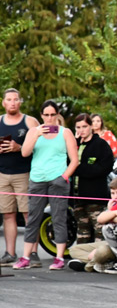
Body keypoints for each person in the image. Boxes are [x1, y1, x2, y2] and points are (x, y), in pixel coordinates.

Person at [13, 100, 79, 270]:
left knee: (58, 218)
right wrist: (36, 134)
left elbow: (74, 160)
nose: (49, 118)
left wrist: (64, 177)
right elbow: (25, 152)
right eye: (46, 115)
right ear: (41, 116)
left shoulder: (65, 133)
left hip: (57, 179)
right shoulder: (34, 131)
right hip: (37, 179)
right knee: (33, 218)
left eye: (52, 115)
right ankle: (25, 256)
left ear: (57, 115)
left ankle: (59, 258)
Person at [0, 89, 40, 267]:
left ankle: (33, 253)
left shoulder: (30, 121)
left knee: (29, 214)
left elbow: (41, 145)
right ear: (4, 103)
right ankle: (10, 253)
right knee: (8, 214)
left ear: (20, 102)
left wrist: (19, 147)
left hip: (25, 173)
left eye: (16, 99)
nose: (13, 102)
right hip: (2, 174)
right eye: (9, 99)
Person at [72, 113, 114, 244]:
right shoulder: (73, 144)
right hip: (76, 197)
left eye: (84, 126)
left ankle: (99, 256)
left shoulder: (101, 144)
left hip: (95, 196)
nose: (81, 130)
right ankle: (82, 254)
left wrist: (78, 168)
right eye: (78, 127)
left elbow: (105, 167)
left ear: (91, 126)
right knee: (82, 231)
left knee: (100, 231)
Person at [67, 177, 117, 272]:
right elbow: (101, 220)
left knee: (102, 251)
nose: (115, 197)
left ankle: (88, 265)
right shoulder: (112, 205)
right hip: (108, 243)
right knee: (74, 250)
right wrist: (110, 210)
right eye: (113, 193)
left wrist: (112, 213)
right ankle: (98, 262)